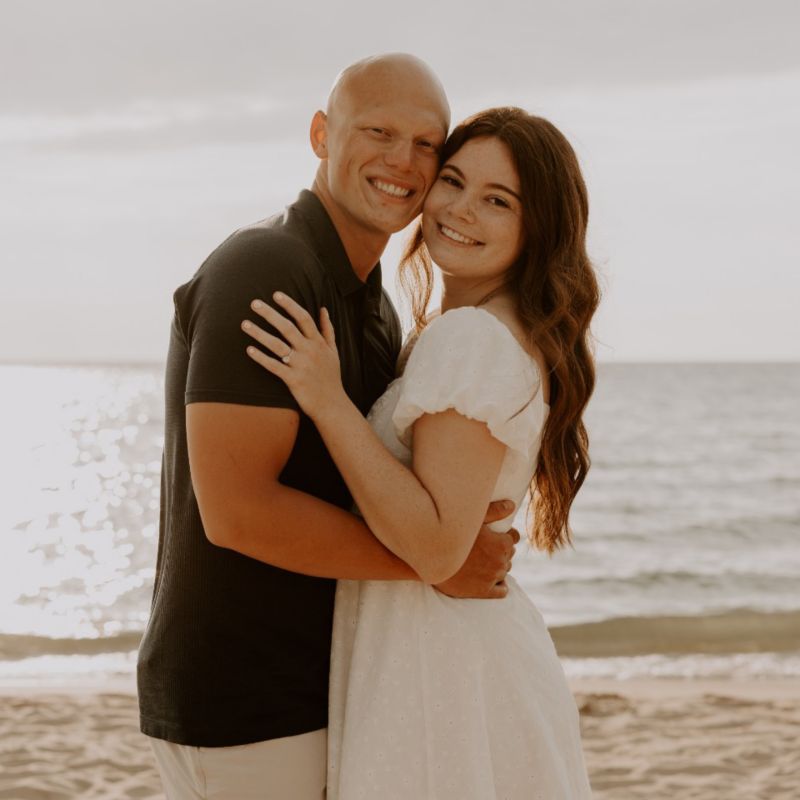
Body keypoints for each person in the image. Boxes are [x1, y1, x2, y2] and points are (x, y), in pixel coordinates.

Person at [137, 54, 520, 800]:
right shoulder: (266, 266)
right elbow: (237, 511)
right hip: (246, 702)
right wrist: (437, 562)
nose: (402, 160)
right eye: (378, 132)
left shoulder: (376, 308)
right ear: (321, 134)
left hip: (322, 690)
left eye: (425, 144)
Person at [243, 106, 600, 798]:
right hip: (446, 649)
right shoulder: (480, 329)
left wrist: (327, 400)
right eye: (455, 182)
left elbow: (436, 549)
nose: (460, 210)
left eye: (498, 200)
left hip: (443, 667)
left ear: (538, 228)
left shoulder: (472, 338)